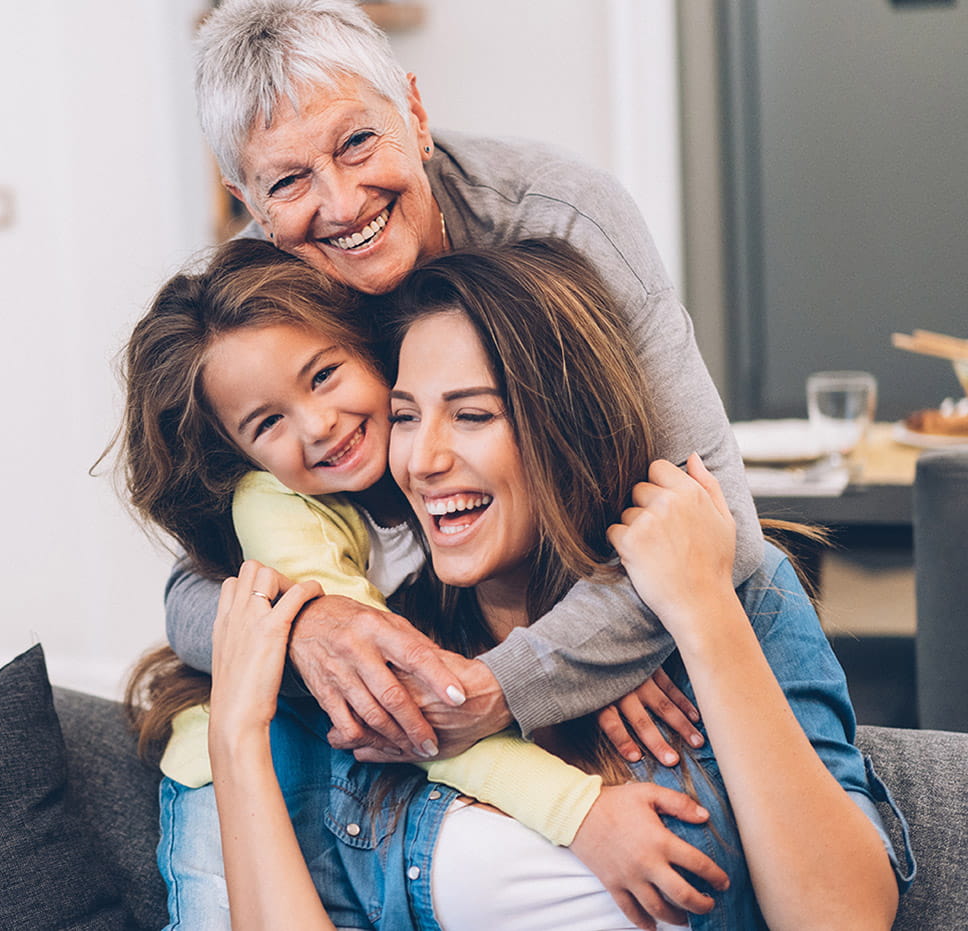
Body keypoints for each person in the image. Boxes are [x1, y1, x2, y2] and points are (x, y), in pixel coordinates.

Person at [202, 241, 906, 930]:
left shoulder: (737, 597)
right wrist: (235, 737)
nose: (422, 459)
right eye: (407, 415)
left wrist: (701, 611)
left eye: (473, 414)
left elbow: (845, 918)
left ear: (567, 426)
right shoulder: (391, 655)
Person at [165, 0, 759, 768]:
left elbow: (721, 529)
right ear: (249, 204)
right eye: (288, 180)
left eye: (356, 141)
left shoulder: (562, 218)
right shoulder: (256, 308)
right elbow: (189, 591)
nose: (341, 204)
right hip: (427, 644)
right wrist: (307, 625)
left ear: (414, 112)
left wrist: (515, 677)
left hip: (592, 639)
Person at [119, 237, 723, 929]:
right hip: (231, 765)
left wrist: (609, 652)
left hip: (356, 755)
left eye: (322, 376)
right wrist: (579, 813)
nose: (319, 426)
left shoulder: (427, 465)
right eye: (268, 422)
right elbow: (406, 701)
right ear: (239, 452)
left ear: (368, 347)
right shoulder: (277, 506)